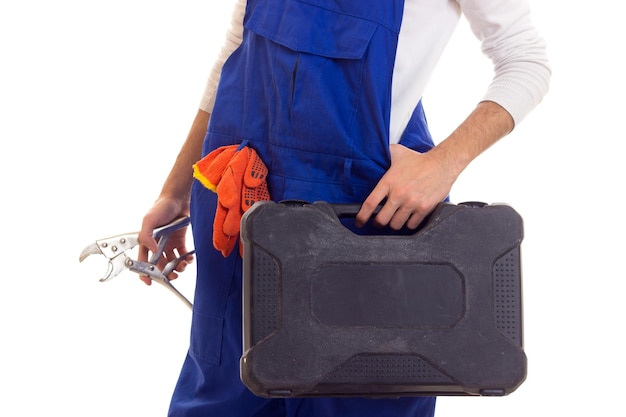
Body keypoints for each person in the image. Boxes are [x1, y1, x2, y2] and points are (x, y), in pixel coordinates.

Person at [138, 0, 550, 415]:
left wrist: (443, 165)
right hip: (241, 229)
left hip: (362, 246)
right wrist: (176, 192)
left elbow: (526, 60)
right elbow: (239, 43)